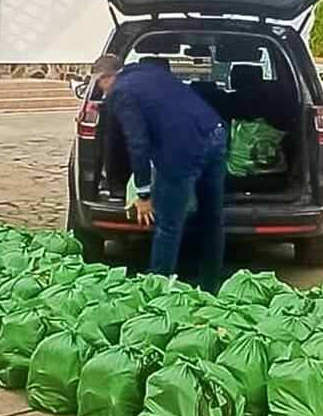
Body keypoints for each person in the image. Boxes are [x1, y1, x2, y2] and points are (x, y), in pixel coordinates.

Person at [90, 54, 228, 293]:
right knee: (212, 219)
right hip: (215, 132)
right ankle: (210, 287)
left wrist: (143, 194)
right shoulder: (147, 71)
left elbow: (137, 142)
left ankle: (156, 289)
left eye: (98, 84)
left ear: (105, 79)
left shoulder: (120, 92)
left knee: (168, 224)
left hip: (180, 150)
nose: (102, 91)